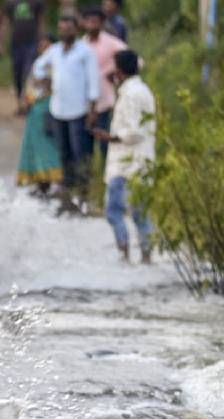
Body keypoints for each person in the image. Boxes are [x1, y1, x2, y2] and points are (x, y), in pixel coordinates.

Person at [91, 50, 156, 264]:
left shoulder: (131, 94)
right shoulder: (139, 90)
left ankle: (125, 256)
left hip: (127, 163)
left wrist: (110, 137)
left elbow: (134, 131)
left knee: (114, 211)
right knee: (139, 212)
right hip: (140, 161)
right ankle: (145, 257)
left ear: (118, 70)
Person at [34, 15, 99, 210]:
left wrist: (92, 109)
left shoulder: (85, 52)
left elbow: (93, 82)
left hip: (78, 111)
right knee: (64, 153)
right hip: (58, 110)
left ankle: (84, 194)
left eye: (68, 29)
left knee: (80, 153)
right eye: (61, 29)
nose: (64, 33)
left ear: (76, 31)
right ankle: (68, 196)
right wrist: (44, 79)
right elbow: (38, 67)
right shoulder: (54, 51)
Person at [16, 35, 62, 194]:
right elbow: (30, 83)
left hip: (48, 106)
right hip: (34, 108)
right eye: (41, 45)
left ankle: (55, 180)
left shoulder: (57, 63)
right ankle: (41, 182)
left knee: (49, 145)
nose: (44, 49)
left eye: (47, 45)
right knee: (34, 145)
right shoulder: (38, 63)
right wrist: (25, 99)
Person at [80, 6, 127, 161]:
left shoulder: (112, 43)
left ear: (102, 23)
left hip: (104, 101)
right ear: (83, 23)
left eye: (95, 22)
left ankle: (105, 175)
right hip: (84, 104)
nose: (92, 25)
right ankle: (86, 179)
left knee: (105, 144)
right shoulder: (80, 45)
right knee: (84, 145)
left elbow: (135, 61)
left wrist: (114, 72)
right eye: (89, 21)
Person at [4, 0, 44, 115]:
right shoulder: (10, 3)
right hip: (16, 43)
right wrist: (1, 41)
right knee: (17, 74)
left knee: (28, 73)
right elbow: (6, 23)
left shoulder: (36, 2)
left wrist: (42, 40)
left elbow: (41, 22)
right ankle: (19, 103)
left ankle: (28, 103)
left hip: (31, 42)